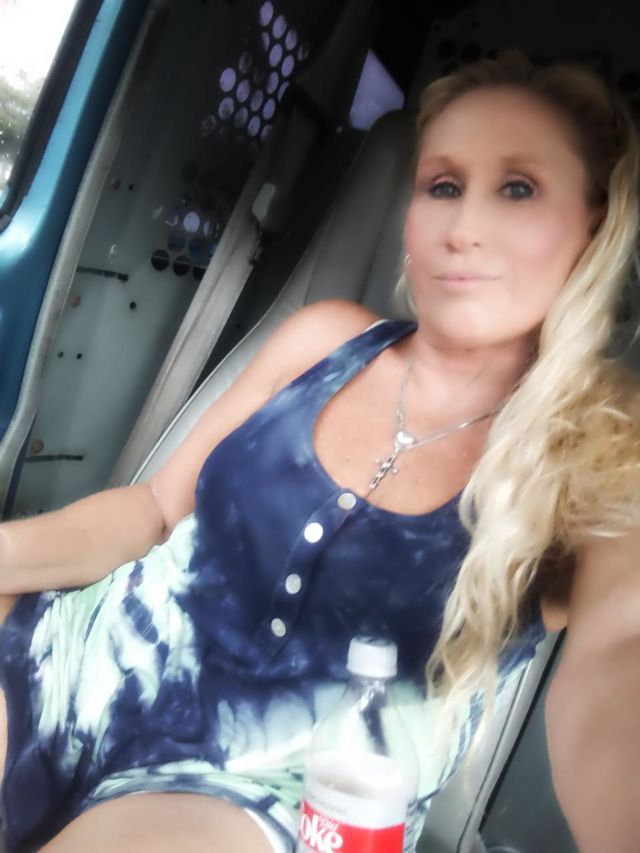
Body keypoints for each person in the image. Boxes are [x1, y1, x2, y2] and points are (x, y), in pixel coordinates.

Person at [0, 49, 639, 852]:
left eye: (519, 188)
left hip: (287, 791)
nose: (464, 228)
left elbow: (619, 654)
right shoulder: (324, 339)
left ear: (592, 226)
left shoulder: (603, 452)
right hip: (78, 657)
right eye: (443, 185)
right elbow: (153, 510)